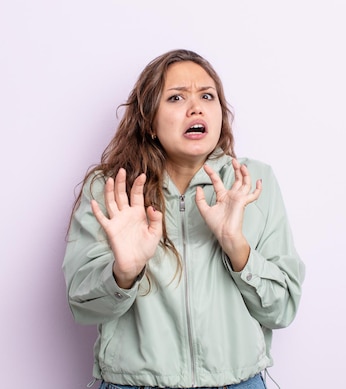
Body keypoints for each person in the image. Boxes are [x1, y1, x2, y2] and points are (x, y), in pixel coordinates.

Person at [63, 49, 305, 389]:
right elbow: (84, 307)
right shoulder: (110, 189)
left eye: (207, 96)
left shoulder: (250, 183)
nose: (196, 107)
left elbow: (282, 310)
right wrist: (123, 273)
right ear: (148, 120)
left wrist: (237, 249)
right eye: (176, 97)